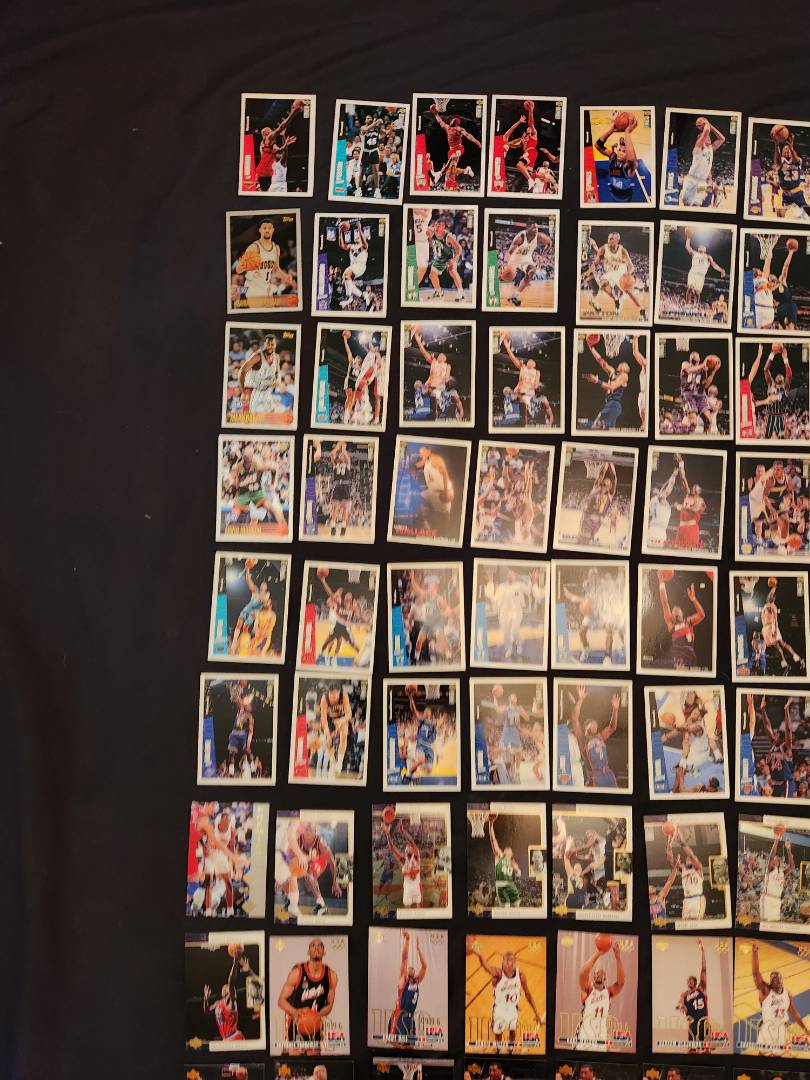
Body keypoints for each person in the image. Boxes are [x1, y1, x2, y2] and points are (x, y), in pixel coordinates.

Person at [468, 938, 543, 1047]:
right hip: (499, 1009)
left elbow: (528, 995)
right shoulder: (498, 973)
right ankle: (498, 1048)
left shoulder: (521, 976)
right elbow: (486, 967)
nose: (505, 962)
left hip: (513, 1009)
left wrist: (536, 1014)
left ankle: (510, 1048)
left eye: (508, 961)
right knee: (498, 1033)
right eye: (504, 960)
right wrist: (479, 954)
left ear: (514, 963)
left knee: (512, 1032)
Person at [277, 938, 338, 1051]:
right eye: (313, 945)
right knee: (293, 1056)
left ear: (324, 952)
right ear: (308, 952)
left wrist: (317, 1016)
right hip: (296, 1023)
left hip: (315, 1025)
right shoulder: (297, 972)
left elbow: (329, 1004)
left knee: (314, 1057)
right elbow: (281, 1001)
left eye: (320, 946)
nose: (316, 948)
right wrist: (295, 1012)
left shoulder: (331, 975)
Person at [751, 940, 810, 1052]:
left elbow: (794, 1014)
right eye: (774, 980)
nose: (777, 981)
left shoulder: (787, 994)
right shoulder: (766, 991)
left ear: (782, 981)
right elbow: (755, 973)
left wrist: (805, 1029)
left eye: (778, 979)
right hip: (767, 1029)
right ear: (770, 982)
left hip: (781, 1029)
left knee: (776, 1055)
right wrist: (754, 953)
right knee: (762, 1053)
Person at [575, 941, 625, 1049]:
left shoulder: (608, 993)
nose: (599, 975)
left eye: (602, 974)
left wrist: (618, 958)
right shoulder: (588, 990)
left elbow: (621, 983)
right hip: (585, 1037)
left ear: (605, 978)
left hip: (600, 1039)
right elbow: (583, 973)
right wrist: (598, 953)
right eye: (596, 973)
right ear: (593, 977)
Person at [388, 931, 426, 1045]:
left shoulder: (416, 981)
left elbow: (424, 966)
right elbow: (404, 958)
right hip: (399, 1016)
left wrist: (418, 950)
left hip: (410, 1018)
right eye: (409, 967)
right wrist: (408, 940)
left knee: (410, 1047)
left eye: (413, 968)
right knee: (397, 1046)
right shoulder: (403, 979)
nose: (411, 968)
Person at [203, 951, 245, 1041]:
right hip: (226, 1039)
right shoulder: (218, 1003)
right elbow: (207, 1012)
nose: (225, 987)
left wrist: (235, 963)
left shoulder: (231, 1001)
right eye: (224, 987)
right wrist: (205, 999)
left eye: (227, 987)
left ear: (230, 991)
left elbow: (231, 981)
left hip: (235, 1037)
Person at [676, 938, 709, 1046]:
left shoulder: (701, 989)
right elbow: (682, 1005)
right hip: (693, 1026)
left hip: (703, 1023)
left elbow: (703, 969)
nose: (689, 981)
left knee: (706, 1050)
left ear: (695, 982)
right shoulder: (685, 994)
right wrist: (681, 1005)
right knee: (692, 1050)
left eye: (691, 980)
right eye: (688, 980)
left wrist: (702, 950)